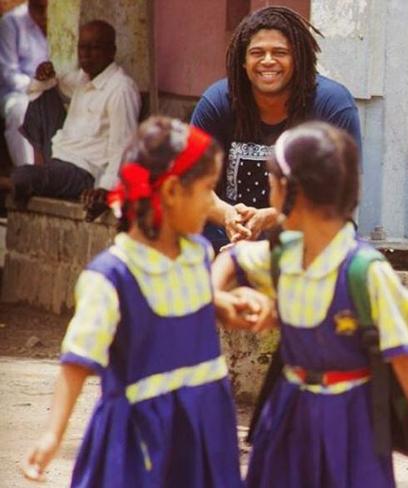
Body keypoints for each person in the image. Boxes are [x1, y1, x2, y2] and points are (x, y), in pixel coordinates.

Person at [21, 117, 272, 487]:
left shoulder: (197, 253)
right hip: (143, 433)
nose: (212, 205)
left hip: (204, 418)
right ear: (171, 191)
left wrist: (223, 305)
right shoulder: (112, 277)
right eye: (206, 191)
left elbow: (184, 304)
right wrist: (52, 435)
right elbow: (77, 360)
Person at [212, 122, 408, 487]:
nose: (268, 191)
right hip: (288, 413)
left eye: (273, 181)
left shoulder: (366, 272)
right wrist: (216, 295)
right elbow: (232, 260)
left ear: (294, 191)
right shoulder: (286, 254)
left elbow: (405, 361)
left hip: (350, 423)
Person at [191, 6, 362, 250]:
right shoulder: (216, 103)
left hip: (304, 237)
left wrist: (270, 219)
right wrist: (228, 216)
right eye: (257, 52)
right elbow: (192, 184)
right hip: (225, 236)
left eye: (280, 52)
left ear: (298, 58)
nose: (268, 61)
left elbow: (339, 195)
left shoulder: (332, 105)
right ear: (243, 60)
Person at [10, 19, 140, 217]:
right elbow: (40, 90)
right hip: (59, 158)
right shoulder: (82, 78)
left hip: (82, 171)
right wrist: (43, 76)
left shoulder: (121, 89)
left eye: (94, 48)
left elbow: (122, 146)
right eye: (82, 47)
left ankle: (26, 180)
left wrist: (106, 189)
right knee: (44, 91)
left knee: (23, 176)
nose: (86, 54)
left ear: (111, 52)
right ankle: (39, 175)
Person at [0, 0, 48, 167]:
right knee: (20, 110)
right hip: (19, 93)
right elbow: (9, 74)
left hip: (51, 91)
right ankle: (28, 174)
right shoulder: (11, 22)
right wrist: (38, 87)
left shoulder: (62, 19)